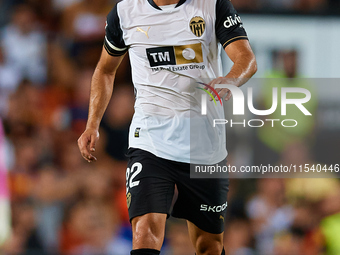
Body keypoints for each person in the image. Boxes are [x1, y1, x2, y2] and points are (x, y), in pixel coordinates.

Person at [78, 0, 257, 254]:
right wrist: (92, 124)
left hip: (204, 144)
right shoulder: (125, 12)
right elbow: (105, 70)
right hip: (150, 141)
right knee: (145, 232)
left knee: (209, 246)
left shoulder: (212, 5)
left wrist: (230, 79)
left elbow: (246, 58)